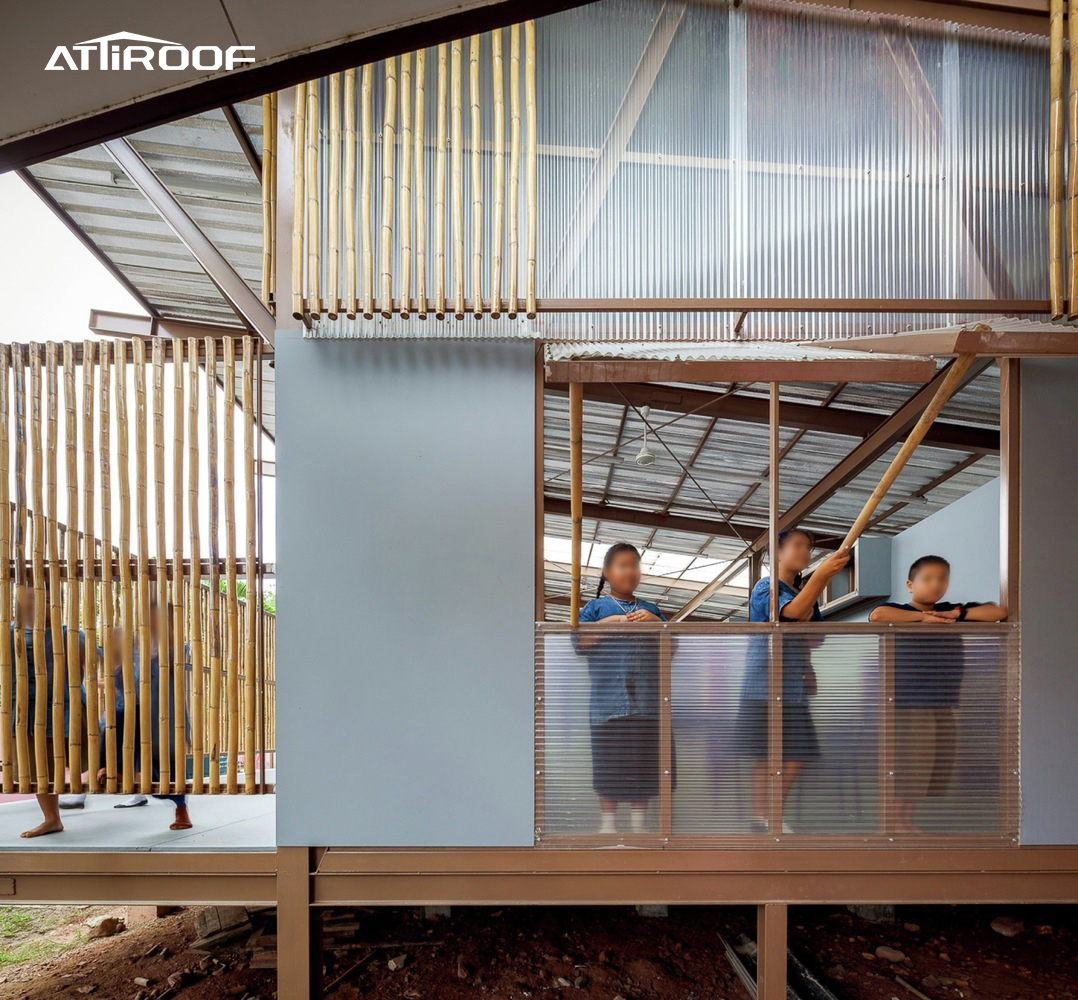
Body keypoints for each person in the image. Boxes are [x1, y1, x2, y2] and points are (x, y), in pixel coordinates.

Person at [868, 555, 1006, 833]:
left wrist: (957, 615)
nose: (936, 584)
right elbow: (877, 615)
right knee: (910, 763)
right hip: (909, 704)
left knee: (929, 764)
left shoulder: (950, 611)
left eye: (942, 578)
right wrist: (923, 617)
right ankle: (893, 823)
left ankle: (906, 820)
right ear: (910, 584)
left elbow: (998, 613)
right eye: (928, 578)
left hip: (943, 702)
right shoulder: (899, 611)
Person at [737, 529, 850, 833]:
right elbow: (790, 614)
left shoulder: (805, 593)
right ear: (778, 553)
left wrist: (807, 666)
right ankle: (762, 818)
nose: (805, 551)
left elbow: (816, 637)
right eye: (797, 545)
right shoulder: (766, 587)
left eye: (808, 547)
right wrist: (821, 577)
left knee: (797, 754)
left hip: (793, 686)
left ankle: (770, 814)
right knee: (765, 755)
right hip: (764, 686)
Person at [575, 543, 672, 836]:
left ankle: (638, 826)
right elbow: (579, 643)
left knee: (643, 765)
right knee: (610, 765)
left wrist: (657, 624)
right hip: (608, 706)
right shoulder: (594, 609)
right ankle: (608, 826)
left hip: (647, 705)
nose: (630, 571)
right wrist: (611, 622)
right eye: (622, 565)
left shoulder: (651, 610)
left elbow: (671, 649)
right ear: (607, 572)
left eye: (634, 565)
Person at [10, 583, 87, 839]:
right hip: (27, 711)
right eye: (29, 597)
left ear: (55, 604)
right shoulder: (9, 633)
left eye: (42, 598)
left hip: (65, 708)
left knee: (81, 757)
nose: (35, 604)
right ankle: (52, 819)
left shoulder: (71, 635)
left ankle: (82, 790)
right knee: (38, 766)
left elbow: (85, 669)